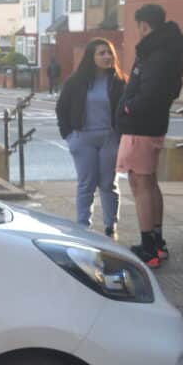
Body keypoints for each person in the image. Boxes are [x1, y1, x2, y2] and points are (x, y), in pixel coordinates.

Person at [116, 3, 183, 268]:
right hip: (151, 124)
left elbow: (150, 93)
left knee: (140, 183)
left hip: (141, 126)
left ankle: (150, 248)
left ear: (144, 25)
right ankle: (156, 241)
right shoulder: (168, 50)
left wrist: (127, 107)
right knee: (149, 182)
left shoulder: (156, 53)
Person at [56, 38, 126, 237]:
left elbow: (126, 111)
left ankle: (110, 226)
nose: (106, 57)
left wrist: (120, 135)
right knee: (86, 183)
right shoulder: (76, 81)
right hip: (83, 138)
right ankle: (82, 227)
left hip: (109, 138)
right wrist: (69, 136)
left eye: (109, 52)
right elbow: (62, 108)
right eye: (101, 53)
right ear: (91, 57)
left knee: (108, 183)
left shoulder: (120, 81)